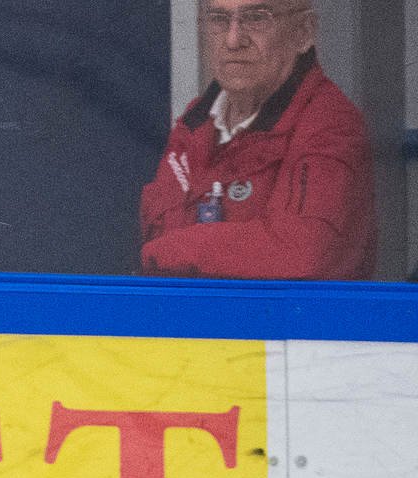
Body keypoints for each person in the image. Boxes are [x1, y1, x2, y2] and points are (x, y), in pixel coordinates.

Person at [139, 1, 375, 279]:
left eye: (256, 18)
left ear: (303, 32)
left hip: (287, 321)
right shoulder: (197, 120)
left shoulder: (330, 123)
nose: (233, 40)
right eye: (218, 19)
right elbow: (156, 229)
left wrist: (169, 251)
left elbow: (301, 252)